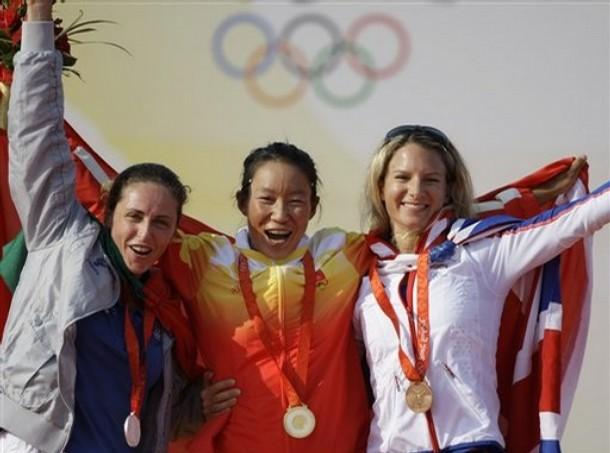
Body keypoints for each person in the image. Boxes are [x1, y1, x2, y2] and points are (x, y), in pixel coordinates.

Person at [0, 1, 201, 452]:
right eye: (135, 217)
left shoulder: (165, 311)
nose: (145, 233)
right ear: (109, 214)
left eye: (161, 223)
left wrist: (200, 403)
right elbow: (37, 135)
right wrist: (37, 21)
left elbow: (158, 415)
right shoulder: (62, 237)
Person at [353, 125, 608, 452]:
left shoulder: (482, 253)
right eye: (402, 178)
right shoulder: (359, 272)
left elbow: (580, 218)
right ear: (380, 187)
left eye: (431, 179)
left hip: (471, 443)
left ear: (448, 189)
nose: (415, 190)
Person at [163, 141, 373, 452]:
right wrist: (193, 401)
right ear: (242, 202)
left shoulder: (344, 255)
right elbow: (126, 217)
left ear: (313, 206)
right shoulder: (205, 261)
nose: (280, 214)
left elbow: (415, 233)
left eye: (296, 201)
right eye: (266, 199)